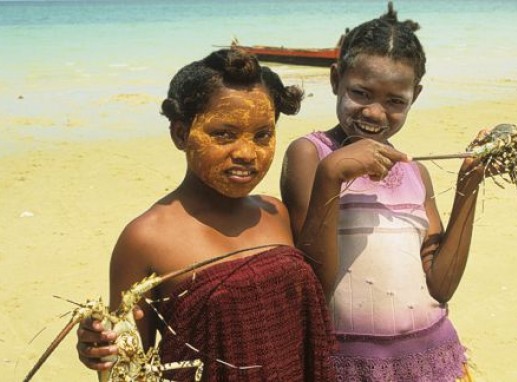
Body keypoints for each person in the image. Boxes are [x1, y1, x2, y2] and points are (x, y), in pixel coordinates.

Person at [281, 3, 517, 381]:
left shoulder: (417, 173)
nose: (375, 113)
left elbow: (441, 286)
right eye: (361, 93)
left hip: (432, 359)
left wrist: (469, 184)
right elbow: (315, 287)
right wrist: (332, 174)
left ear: (415, 95)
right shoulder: (312, 156)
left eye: (395, 101)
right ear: (336, 80)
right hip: (352, 366)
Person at [75, 47, 336, 381]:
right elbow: (125, 367)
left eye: (262, 135)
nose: (246, 153)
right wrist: (100, 347)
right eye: (223, 134)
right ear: (181, 134)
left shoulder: (276, 213)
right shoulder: (145, 239)